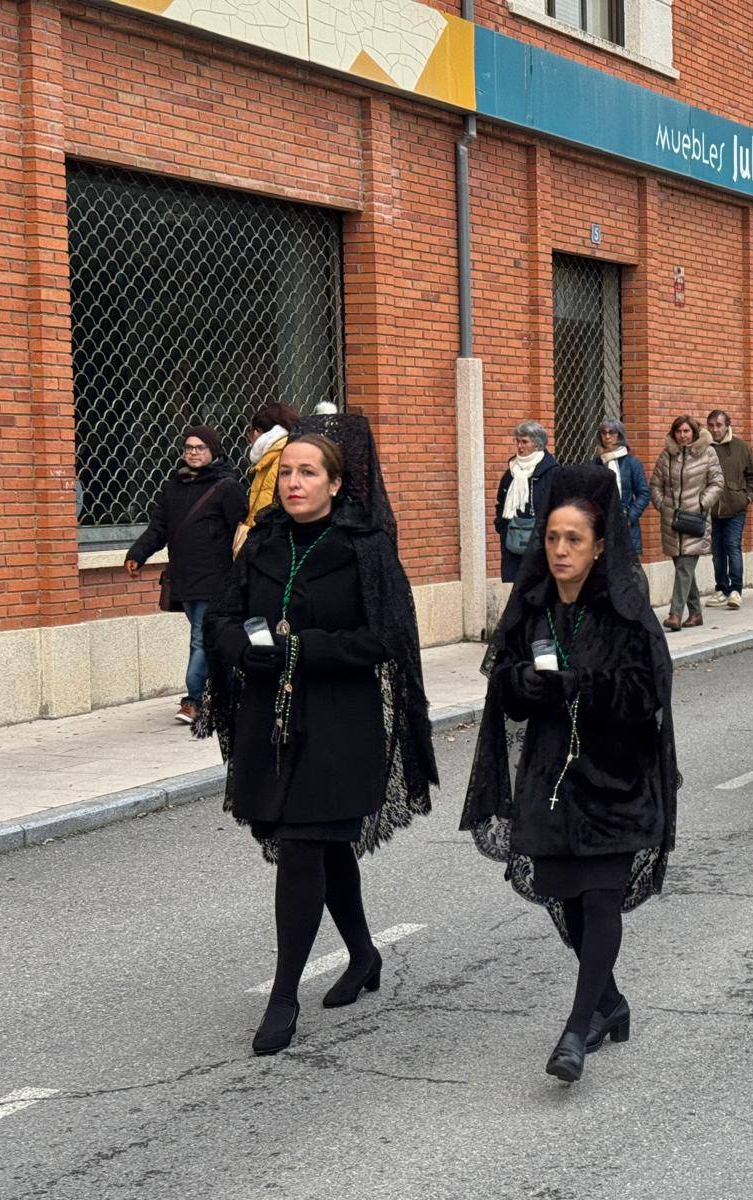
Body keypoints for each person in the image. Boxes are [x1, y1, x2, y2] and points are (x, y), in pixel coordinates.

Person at [200, 422, 436, 1055]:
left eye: (308, 472)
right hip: (270, 721)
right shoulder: (263, 540)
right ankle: (362, 956)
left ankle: (283, 997)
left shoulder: (365, 546)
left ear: (337, 482)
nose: (294, 482)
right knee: (322, 844)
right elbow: (224, 615)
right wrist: (246, 649)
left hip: (337, 719)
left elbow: (388, 638)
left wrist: (301, 649)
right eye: (286, 472)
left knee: (304, 847)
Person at [461, 464, 677, 1084]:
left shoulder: (625, 612)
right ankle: (609, 1003)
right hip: (551, 779)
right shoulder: (532, 610)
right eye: (551, 538)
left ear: (600, 544)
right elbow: (501, 682)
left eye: (573, 539)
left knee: (601, 895)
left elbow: (648, 692)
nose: (559, 551)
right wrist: (523, 685)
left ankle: (576, 1029)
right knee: (566, 898)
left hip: (616, 777)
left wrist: (581, 685)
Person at [125, 425, 247, 725]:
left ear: (213, 451)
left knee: (200, 639)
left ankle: (192, 700)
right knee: (208, 639)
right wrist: (137, 554)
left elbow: (243, 532)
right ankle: (222, 694)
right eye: (189, 447)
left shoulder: (227, 487)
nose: (193, 452)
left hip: (216, 578)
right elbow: (159, 529)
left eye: (200, 448)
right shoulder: (173, 487)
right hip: (184, 578)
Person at [651, 415, 725, 631]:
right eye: (679, 432)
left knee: (684, 567)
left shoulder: (707, 452)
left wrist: (703, 503)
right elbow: (655, 484)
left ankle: (675, 614)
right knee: (684, 568)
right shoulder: (667, 456)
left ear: (693, 432)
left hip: (695, 519)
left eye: (686, 431)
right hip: (672, 521)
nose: (682, 435)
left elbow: (717, 482)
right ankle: (696, 613)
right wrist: (663, 505)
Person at [705, 409, 753, 611]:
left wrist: (747, 498)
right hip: (712, 509)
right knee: (717, 552)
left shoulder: (741, 447)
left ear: (727, 425)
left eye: (719, 425)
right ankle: (721, 588)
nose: (715, 430)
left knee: (733, 547)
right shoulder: (703, 448)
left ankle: (736, 590)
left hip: (736, 508)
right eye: (711, 425)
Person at [495, 421, 558, 584]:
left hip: (541, 541)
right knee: (517, 587)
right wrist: (502, 526)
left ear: (537, 444)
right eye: (517, 441)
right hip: (513, 539)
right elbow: (501, 502)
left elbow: (559, 504)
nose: (519, 446)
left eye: (524, 442)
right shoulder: (511, 472)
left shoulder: (552, 472)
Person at [234, 402, 299, 554]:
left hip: (273, 542)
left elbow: (268, 502)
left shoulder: (279, 456)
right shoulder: (272, 456)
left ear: (259, 432)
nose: (250, 440)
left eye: (251, 432)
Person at [593, 418, 650, 562]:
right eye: (603, 433)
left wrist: (631, 516)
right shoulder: (596, 463)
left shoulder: (631, 463)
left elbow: (643, 493)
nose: (607, 437)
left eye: (612, 433)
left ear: (619, 435)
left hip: (626, 523)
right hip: (602, 523)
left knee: (629, 569)